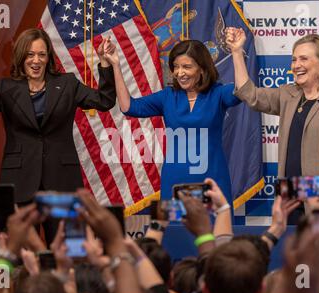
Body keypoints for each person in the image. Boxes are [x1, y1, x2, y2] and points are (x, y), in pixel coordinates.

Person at [0, 27, 117, 243]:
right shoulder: (6, 87)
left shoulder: (67, 84)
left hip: (62, 181)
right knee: (19, 251)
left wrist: (103, 63)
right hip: (19, 181)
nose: (36, 60)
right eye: (30, 54)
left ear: (48, 58)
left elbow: (104, 101)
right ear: (21, 57)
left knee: (69, 247)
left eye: (41, 54)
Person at [227, 29, 319, 221]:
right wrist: (237, 52)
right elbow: (250, 94)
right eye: (294, 59)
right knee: (289, 251)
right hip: (288, 202)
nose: (296, 65)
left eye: (303, 59)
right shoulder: (289, 95)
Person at [103, 39, 241, 202]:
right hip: (175, 182)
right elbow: (128, 107)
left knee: (214, 228)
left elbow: (242, 91)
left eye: (186, 67)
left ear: (202, 69)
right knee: (174, 228)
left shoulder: (218, 93)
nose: (179, 72)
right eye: (176, 66)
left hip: (212, 181)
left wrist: (237, 52)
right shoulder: (168, 96)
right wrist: (116, 66)